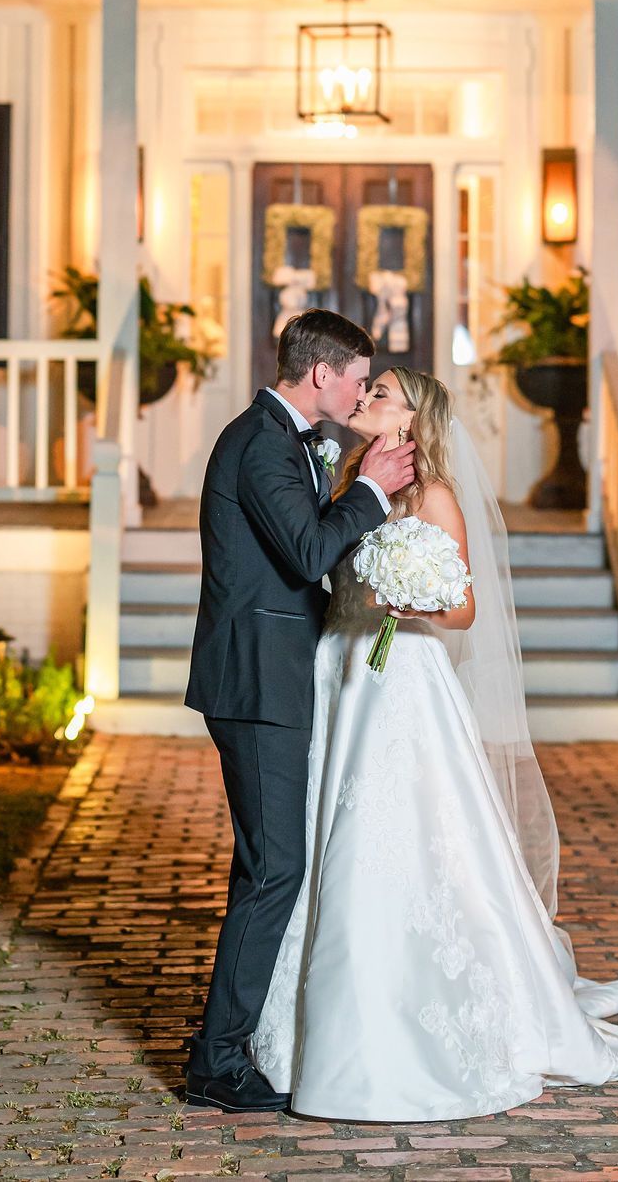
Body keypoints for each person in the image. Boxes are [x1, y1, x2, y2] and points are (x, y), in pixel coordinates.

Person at [250, 367, 618, 1121]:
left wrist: (408, 596)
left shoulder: (435, 495)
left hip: (402, 680)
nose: (367, 401)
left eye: (382, 395)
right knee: (323, 829)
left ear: (413, 420)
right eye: (367, 389)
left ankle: (396, 1026)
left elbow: (465, 608)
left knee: (396, 839)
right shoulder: (349, 478)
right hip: (342, 668)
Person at [183, 310, 416, 1113]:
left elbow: (311, 548)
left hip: (276, 673)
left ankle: (223, 1038)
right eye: (357, 377)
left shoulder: (290, 442)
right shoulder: (261, 444)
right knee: (274, 866)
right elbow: (310, 551)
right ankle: (216, 1060)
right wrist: (377, 490)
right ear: (321, 373)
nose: (359, 392)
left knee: (269, 861)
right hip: (255, 680)